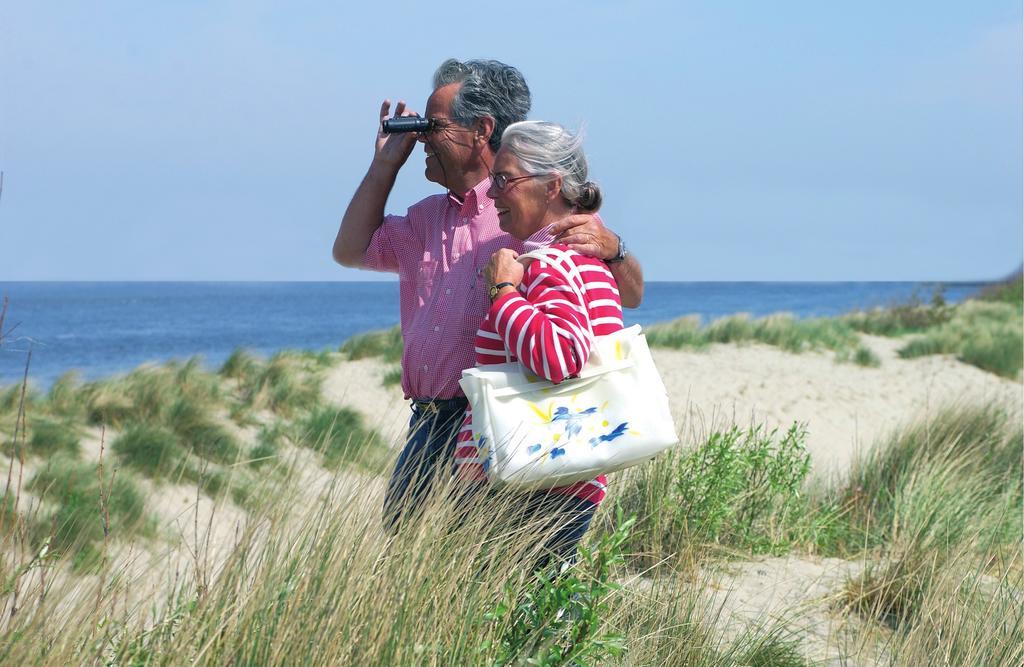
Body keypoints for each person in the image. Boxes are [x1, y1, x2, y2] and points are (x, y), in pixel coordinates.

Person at [332, 59, 644, 531]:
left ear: (481, 129)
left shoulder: (527, 211)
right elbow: (349, 250)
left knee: (480, 570)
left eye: (433, 126)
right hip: (428, 420)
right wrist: (383, 167)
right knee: (406, 558)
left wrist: (616, 249)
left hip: (496, 417)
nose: (420, 138)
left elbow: (624, 295)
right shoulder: (425, 219)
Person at [452, 120, 620, 568]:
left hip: (530, 480)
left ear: (552, 186)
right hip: (565, 471)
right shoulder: (591, 260)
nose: (491, 195)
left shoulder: (549, 263)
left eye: (504, 180)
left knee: (501, 622)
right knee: (542, 619)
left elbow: (561, 357)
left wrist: (503, 292)